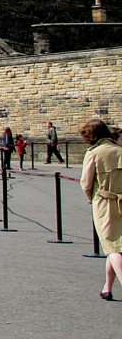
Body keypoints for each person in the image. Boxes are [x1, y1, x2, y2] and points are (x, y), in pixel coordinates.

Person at [79, 118, 122, 300]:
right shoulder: (120, 150)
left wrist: (91, 199)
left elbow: (86, 183)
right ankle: (107, 287)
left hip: (105, 203)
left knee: (112, 247)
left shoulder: (94, 153)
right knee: (114, 244)